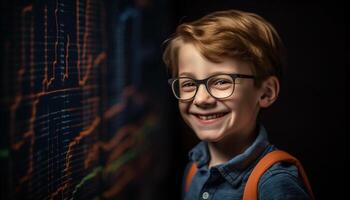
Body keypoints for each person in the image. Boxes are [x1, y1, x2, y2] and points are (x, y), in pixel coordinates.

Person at [162, 9, 313, 199]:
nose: (200, 99)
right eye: (189, 84)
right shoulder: (194, 169)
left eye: (221, 82)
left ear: (266, 92)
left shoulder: (274, 182)